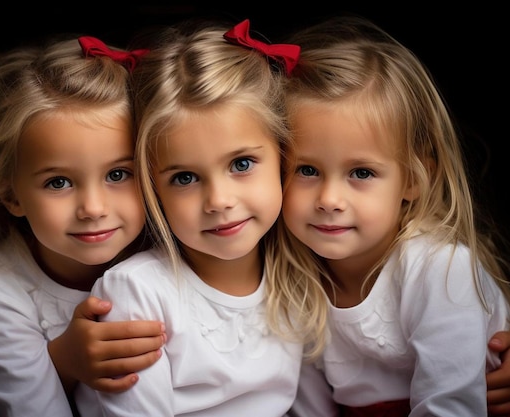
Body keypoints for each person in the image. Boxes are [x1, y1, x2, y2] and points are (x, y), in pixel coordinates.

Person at [74, 18, 329, 416]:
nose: (219, 200)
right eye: (185, 177)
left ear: (282, 158)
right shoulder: (138, 294)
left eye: (241, 163)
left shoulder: (295, 276)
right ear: (151, 186)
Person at [0, 34, 166, 416]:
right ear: (11, 195)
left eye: (117, 174)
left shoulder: (163, 256)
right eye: (58, 182)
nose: (93, 208)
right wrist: (64, 362)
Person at [279, 15, 510, 416]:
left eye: (361, 173)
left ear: (413, 180)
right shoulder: (293, 277)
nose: (329, 199)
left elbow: (451, 406)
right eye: (307, 170)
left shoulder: (439, 269)